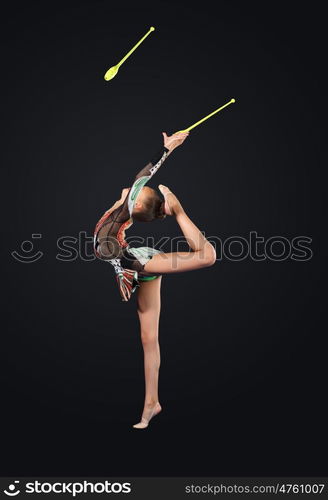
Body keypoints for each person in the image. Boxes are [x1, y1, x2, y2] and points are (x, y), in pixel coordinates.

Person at [93, 131, 216, 428]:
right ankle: (152, 403)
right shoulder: (123, 214)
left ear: (134, 208)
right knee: (149, 338)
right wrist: (167, 148)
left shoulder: (119, 216)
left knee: (207, 255)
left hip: (141, 263)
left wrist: (165, 155)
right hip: (131, 263)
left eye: (132, 195)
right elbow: (139, 181)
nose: (128, 189)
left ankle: (180, 211)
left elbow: (139, 182)